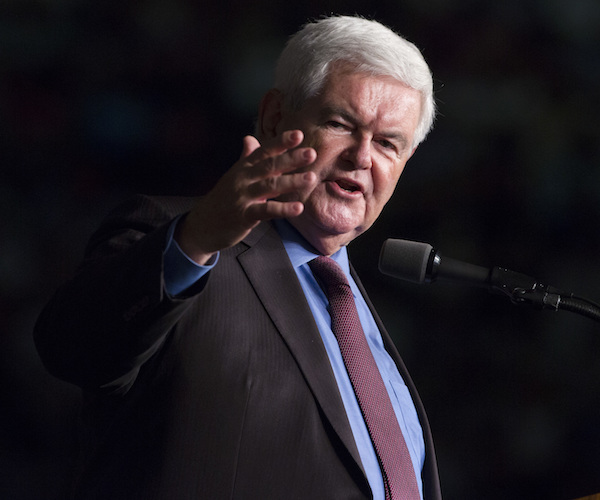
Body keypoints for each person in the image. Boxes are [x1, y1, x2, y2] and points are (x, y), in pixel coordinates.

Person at [34, 15, 442, 500]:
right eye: (339, 123)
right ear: (275, 118)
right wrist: (199, 237)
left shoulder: (363, 319)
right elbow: (73, 347)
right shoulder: (184, 241)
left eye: (388, 144)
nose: (361, 157)